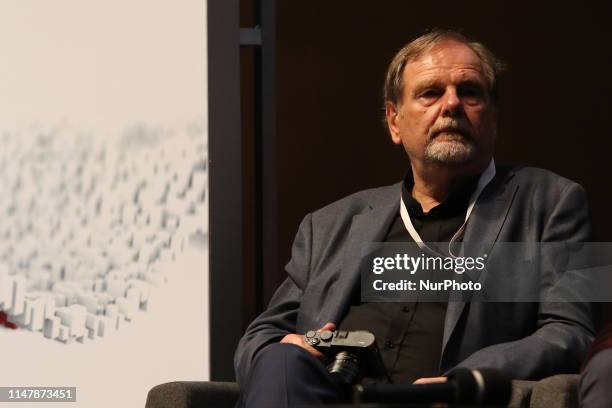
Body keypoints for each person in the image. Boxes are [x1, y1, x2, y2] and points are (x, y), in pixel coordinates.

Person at [234, 29, 596, 407]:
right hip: (324, 396)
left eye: (469, 91)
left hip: (446, 400)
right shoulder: (326, 224)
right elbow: (260, 335)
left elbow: (572, 331)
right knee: (278, 359)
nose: (452, 104)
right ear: (394, 120)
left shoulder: (554, 201)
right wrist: (282, 349)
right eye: (430, 93)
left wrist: (462, 381)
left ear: (492, 117)